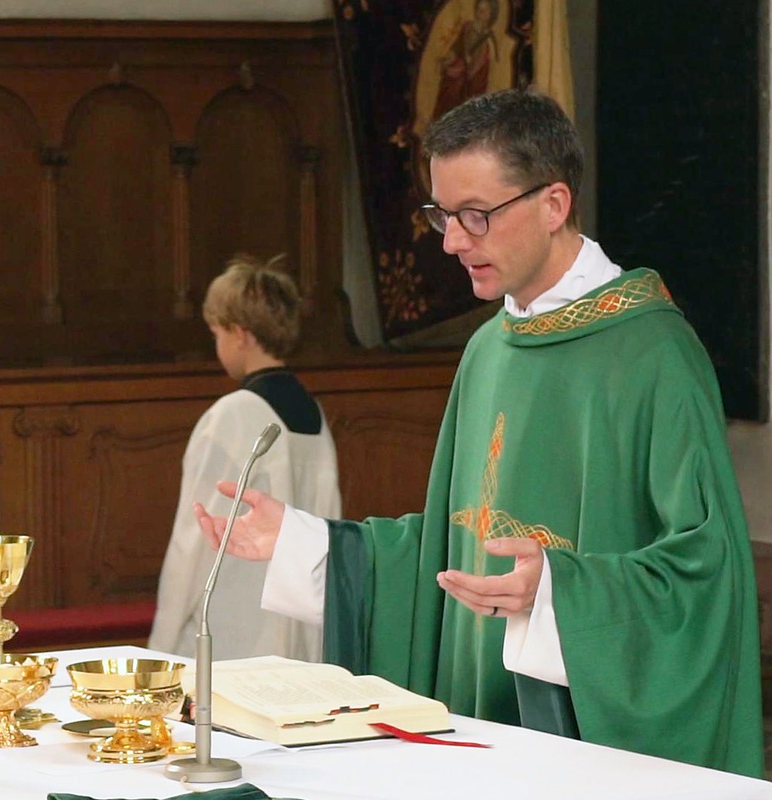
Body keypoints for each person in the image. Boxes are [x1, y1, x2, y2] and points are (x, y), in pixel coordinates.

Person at [193, 89, 764, 777]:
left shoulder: (652, 356)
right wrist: (308, 544)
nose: (452, 241)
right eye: (442, 214)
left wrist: (558, 592)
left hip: (589, 753)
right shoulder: (489, 350)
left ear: (554, 205)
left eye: (475, 216)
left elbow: (705, 581)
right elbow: (451, 542)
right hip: (475, 737)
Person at [149, 254, 342, 661]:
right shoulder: (312, 412)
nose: (217, 345)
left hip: (233, 632)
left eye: (216, 333)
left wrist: (162, 647)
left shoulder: (233, 415)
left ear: (239, 334)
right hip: (298, 630)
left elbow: (195, 538)